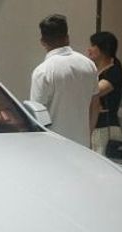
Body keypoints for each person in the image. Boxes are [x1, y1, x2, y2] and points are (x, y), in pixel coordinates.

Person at [29, 14, 98, 146]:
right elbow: (95, 105)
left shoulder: (43, 71)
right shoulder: (88, 65)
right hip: (82, 144)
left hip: (53, 146)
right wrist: (88, 134)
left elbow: (37, 114)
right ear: (67, 37)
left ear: (42, 41)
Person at [87, 31, 122, 153]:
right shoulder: (97, 71)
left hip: (105, 128)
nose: (89, 49)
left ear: (103, 49)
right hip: (97, 127)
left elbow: (96, 91)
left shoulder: (114, 71)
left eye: (93, 45)